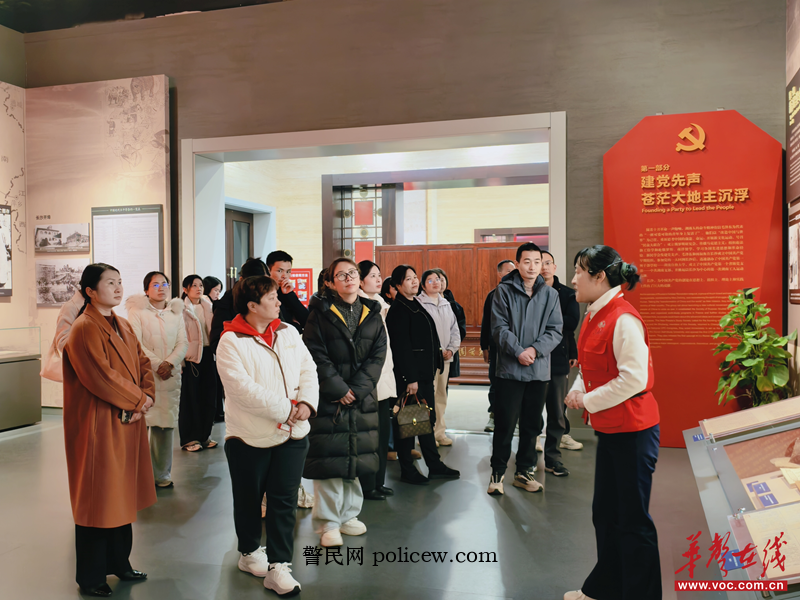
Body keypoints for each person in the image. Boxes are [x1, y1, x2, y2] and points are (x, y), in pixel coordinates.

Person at [562, 246, 661, 600]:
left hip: (634, 432)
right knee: (605, 514)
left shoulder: (623, 319)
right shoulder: (594, 313)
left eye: (579, 271)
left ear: (599, 276)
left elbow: (634, 378)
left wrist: (586, 400)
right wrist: (578, 389)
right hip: (611, 429)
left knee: (632, 521)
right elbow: (591, 367)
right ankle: (605, 589)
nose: (573, 278)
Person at [216, 275, 318, 596]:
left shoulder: (288, 332)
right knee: (248, 498)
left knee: (284, 500)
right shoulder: (231, 341)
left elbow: (308, 369)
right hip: (249, 435)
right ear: (252, 305)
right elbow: (242, 389)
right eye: (272, 298)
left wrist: (306, 403)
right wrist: (286, 408)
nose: (278, 302)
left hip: (293, 433)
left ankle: (279, 566)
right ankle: (249, 551)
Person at [62, 263, 156, 597]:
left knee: (120, 496)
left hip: (126, 420)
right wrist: (139, 400)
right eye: (109, 283)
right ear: (90, 291)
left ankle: (120, 562)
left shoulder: (122, 324)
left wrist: (147, 395)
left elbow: (143, 363)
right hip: (99, 424)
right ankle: (90, 577)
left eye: (119, 282)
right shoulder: (84, 328)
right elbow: (102, 377)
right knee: (97, 499)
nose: (117, 288)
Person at [302, 258, 386, 547]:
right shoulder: (319, 314)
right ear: (329, 282)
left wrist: (357, 390)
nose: (349, 278)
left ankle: (349, 515)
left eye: (352, 273)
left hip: (361, 398)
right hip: (330, 398)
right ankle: (327, 523)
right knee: (329, 461)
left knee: (355, 458)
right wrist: (339, 389)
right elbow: (315, 355)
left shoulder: (372, 313)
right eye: (341, 275)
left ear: (359, 279)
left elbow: (378, 356)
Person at [487, 242, 562, 496]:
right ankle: (497, 474)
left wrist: (534, 350)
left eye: (537, 262)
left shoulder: (550, 295)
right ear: (517, 263)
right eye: (527, 261)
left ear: (542, 265)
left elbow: (555, 330)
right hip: (510, 369)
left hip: (538, 370)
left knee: (532, 425)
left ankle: (523, 472)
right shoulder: (503, 291)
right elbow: (499, 328)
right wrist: (518, 351)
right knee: (505, 423)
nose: (532, 267)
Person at [386, 265, 460, 485]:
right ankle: (407, 469)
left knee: (425, 421)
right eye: (408, 279)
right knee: (408, 425)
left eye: (415, 277)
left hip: (425, 374)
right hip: (412, 379)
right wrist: (411, 378)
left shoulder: (414, 303)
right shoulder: (399, 309)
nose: (414, 281)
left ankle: (434, 465)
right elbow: (401, 347)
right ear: (398, 285)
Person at [126, 271, 188, 488]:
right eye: (155, 284)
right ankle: (138, 476)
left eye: (165, 284)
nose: (161, 288)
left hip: (169, 376)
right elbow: (135, 343)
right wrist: (157, 365)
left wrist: (169, 363)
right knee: (141, 425)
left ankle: (162, 475)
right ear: (146, 289)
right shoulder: (137, 312)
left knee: (165, 425)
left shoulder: (176, 312)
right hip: (145, 374)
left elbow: (183, 343)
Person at [536, 251, 581, 477]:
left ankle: (553, 458)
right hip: (533, 359)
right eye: (539, 263)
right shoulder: (529, 292)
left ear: (554, 267)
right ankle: (527, 459)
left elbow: (571, 324)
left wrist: (572, 351)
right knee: (531, 411)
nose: (543, 267)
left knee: (557, 412)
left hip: (558, 357)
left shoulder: (567, 293)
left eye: (547, 263)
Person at [357, 260, 395, 500]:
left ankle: (378, 482)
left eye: (379, 275)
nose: (379, 279)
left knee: (381, 435)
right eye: (372, 275)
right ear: (360, 282)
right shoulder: (362, 307)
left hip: (383, 381)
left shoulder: (381, 304)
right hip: (369, 384)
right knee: (369, 438)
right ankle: (367, 485)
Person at [416, 269, 460, 446]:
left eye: (438, 279)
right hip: (427, 360)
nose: (435, 282)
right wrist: (435, 351)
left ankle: (439, 432)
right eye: (430, 280)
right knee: (427, 397)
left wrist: (451, 349)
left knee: (441, 396)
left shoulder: (446, 304)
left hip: (445, 359)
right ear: (423, 285)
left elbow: (454, 330)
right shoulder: (419, 304)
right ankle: (425, 436)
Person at [179, 274, 217, 452]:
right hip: (191, 357)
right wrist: (180, 361)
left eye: (200, 285)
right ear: (185, 289)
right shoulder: (181, 308)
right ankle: (189, 438)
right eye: (194, 285)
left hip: (209, 354)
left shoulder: (208, 305)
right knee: (190, 399)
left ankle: (204, 436)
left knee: (209, 397)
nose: (198, 288)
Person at [480, 259, 516, 432]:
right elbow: (486, 323)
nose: (511, 274)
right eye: (507, 271)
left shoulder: (522, 294)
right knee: (496, 383)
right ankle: (493, 416)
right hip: (497, 348)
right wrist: (484, 347)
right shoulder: (493, 295)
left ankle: (516, 418)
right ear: (500, 274)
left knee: (516, 385)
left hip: (517, 349)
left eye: (513, 270)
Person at [209, 257, 268, 353]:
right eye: (254, 285)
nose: (259, 290)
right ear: (241, 280)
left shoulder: (267, 301)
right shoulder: (226, 303)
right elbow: (217, 344)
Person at [40, 289, 85, 382]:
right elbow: (63, 343)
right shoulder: (71, 307)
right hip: (78, 372)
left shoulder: (101, 308)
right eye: (110, 283)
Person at [433, 268, 466, 382]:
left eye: (442, 280)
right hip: (433, 351)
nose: (440, 283)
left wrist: (451, 348)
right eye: (436, 280)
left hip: (449, 350)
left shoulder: (454, 305)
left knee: (444, 385)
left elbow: (460, 329)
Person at [267, 250, 309, 333]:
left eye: (288, 272)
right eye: (279, 271)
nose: (284, 276)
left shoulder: (286, 292)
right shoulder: (264, 294)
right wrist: (297, 326)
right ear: (268, 271)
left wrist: (290, 294)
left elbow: (307, 322)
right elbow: (279, 326)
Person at [202, 275, 225, 422]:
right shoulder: (206, 304)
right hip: (207, 349)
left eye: (219, 291)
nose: (217, 294)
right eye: (215, 290)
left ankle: (218, 412)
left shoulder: (211, 304)